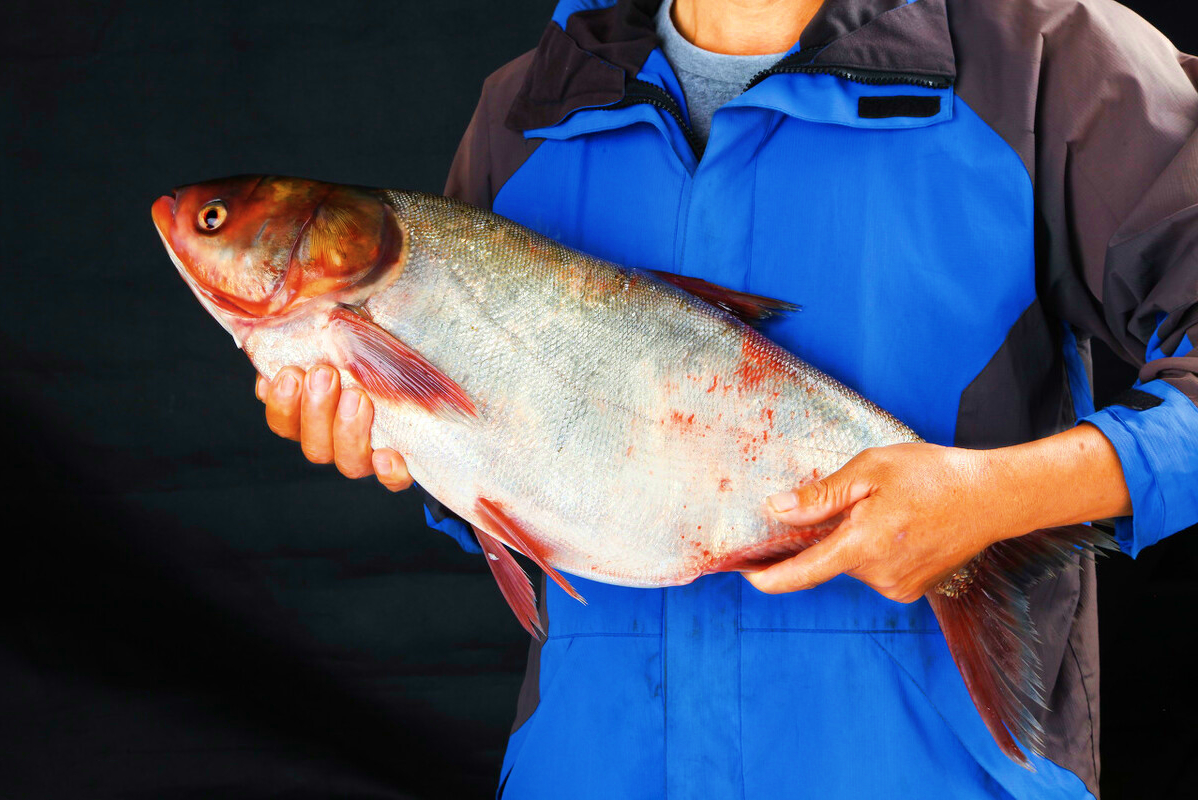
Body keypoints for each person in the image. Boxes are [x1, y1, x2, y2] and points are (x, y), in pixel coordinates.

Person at [255, 0, 1198, 796]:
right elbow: (531, 477)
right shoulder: (531, 103)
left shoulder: (1046, 59)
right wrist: (403, 444)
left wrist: (1002, 500)